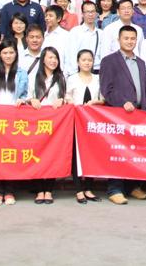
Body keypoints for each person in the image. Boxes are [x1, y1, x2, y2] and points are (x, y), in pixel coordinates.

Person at [99, 25, 146, 204]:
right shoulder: (109, 61)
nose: (130, 41)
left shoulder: (141, 63)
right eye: (126, 38)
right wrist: (122, 102)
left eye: (132, 39)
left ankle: (133, 186)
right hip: (118, 114)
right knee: (118, 152)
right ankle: (114, 189)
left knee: (135, 153)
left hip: (138, 115)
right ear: (119, 40)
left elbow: (144, 90)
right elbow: (106, 89)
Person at [0, 38, 30, 205]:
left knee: (11, 156)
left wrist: (23, 100)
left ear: (16, 54)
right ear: (0, 55)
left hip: (14, 120)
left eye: (11, 52)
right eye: (5, 53)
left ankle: (9, 191)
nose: (8, 56)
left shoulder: (22, 73)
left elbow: (25, 95)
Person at [66, 49, 104, 203]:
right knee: (76, 155)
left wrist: (96, 102)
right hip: (76, 120)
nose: (87, 63)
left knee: (92, 154)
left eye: (90, 60)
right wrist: (72, 103)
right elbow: (67, 97)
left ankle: (88, 188)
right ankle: (78, 189)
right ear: (78, 62)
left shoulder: (98, 78)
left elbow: (103, 99)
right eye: (84, 60)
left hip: (93, 122)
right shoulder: (72, 79)